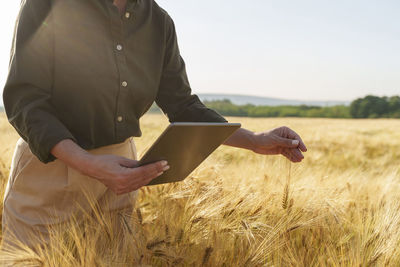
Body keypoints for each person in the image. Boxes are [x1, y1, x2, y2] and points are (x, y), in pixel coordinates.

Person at [1, 0, 307, 251]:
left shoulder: (158, 22)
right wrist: (86, 162)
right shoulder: (48, 5)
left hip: (119, 178)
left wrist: (254, 140)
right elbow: (25, 98)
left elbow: (182, 105)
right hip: (50, 169)